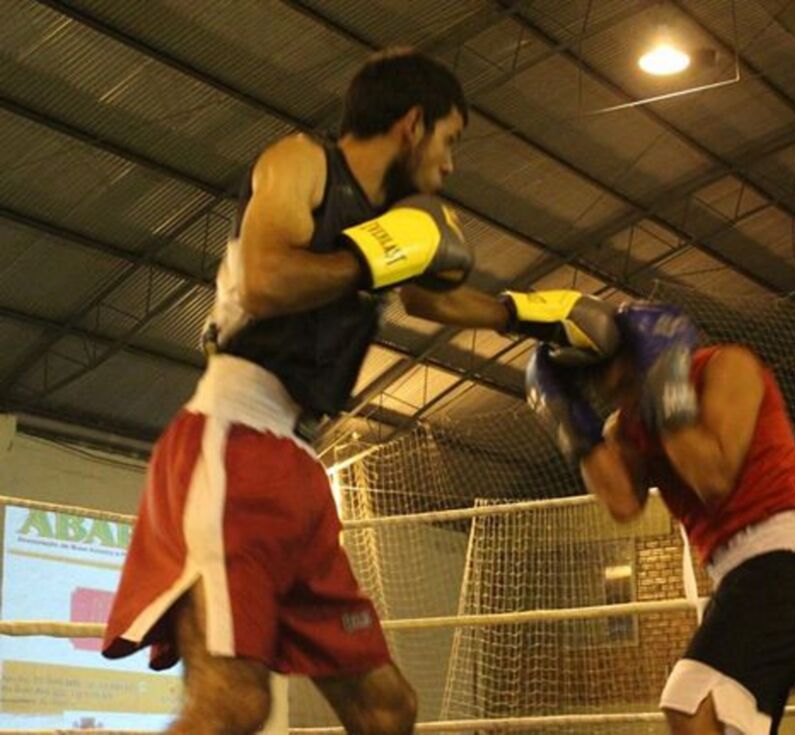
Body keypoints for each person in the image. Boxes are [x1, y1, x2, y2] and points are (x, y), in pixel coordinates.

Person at [102, 49, 618, 735]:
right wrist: (372, 256)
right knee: (233, 703)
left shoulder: (394, 217)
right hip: (230, 439)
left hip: (293, 463)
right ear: (412, 123)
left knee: (386, 708)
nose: (451, 163)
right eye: (450, 139)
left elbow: (434, 300)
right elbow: (263, 280)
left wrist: (535, 312)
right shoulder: (300, 161)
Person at [525, 301, 795, 735]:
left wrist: (666, 393)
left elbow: (712, 477)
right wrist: (570, 422)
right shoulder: (625, 425)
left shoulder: (727, 366)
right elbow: (622, 504)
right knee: (724, 723)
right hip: (742, 576)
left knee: (688, 701)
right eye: (598, 384)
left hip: (789, 562)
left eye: (618, 375)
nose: (613, 391)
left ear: (641, 353)